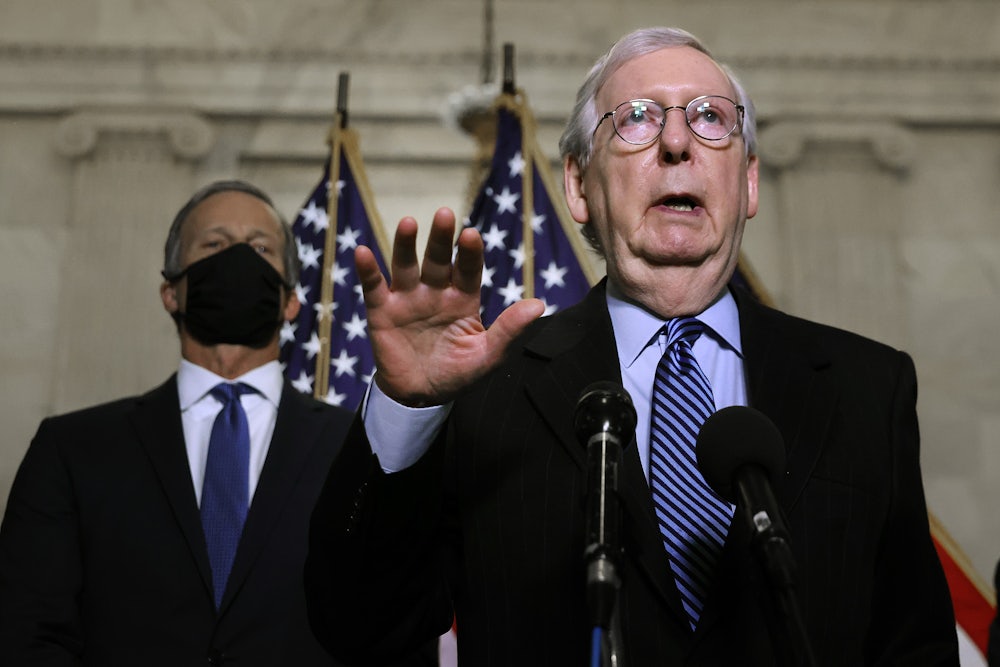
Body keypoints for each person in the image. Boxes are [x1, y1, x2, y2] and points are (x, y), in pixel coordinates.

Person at [304, 27, 959, 665]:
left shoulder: (866, 387)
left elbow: (915, 645)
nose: (677, 141)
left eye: (709, 118)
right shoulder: (489, 390)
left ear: (750, 181)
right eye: (638, 119)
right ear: (577, 186)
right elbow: (364, 629)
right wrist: (405, 408)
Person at [0, 181, 410, 666]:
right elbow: (27, 633)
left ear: (291, 302)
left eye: (260, 249)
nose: (238, 260)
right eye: (214, 245)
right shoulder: (72, 449)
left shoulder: (362, 448)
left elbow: (399, 633)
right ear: (170, 291)